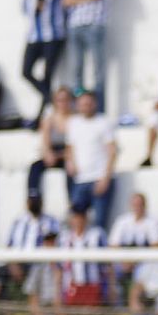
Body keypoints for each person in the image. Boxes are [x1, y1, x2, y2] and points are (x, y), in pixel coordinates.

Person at [21, 0, 68, 125]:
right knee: (26, 71)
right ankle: (50, 99)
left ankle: (40, 116)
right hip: (34, 35)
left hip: (54, 34)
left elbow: (66, 4)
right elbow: (24, 6)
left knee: (47, 75)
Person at [62, 0, 111, 102]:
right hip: (76, 23)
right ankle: (79, 105)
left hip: (95, 23)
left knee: (98, 69)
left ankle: (99, 108)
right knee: (77, 69)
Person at [64, 89, 116, 231]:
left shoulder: (103, 122)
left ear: (95, 104)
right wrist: (70, 162)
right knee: (75, 221)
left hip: (99, 178)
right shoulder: (73, 123)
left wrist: (106, 177)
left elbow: (112, 151)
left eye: (88, 103)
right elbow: (70, 147)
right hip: (80, 179)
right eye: (82, 104)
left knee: (99, 223)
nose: (85, 106)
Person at [28, 86, 74, 199]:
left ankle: (72, 201)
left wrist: (64, 155)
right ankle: (33, 197)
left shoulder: (75, 119)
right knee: (35, 166)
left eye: (65, 100)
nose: (63, 103)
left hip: (69, 154)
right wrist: (49, 154)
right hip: (54, 152)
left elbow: (75, 145)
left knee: (71, 169)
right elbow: (45, 142)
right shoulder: (49, 119)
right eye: (60, 100)